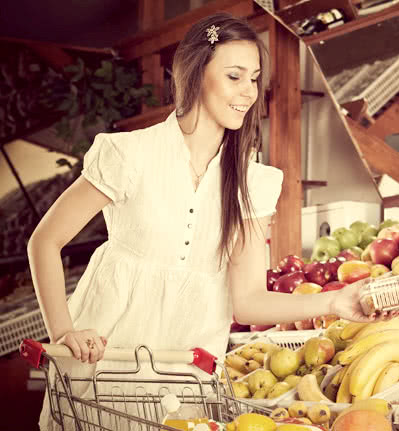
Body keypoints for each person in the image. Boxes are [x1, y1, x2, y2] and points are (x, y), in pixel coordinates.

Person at [28, 12, 374, 430]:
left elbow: (247, 299)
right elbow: (44, 241)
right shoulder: (130, 155)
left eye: (254, 79)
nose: (248, 92)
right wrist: (63, 332)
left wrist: (332, 302)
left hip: (184, 373)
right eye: (234, 76)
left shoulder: (252, 180)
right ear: (194, 74)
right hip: (105, 362)